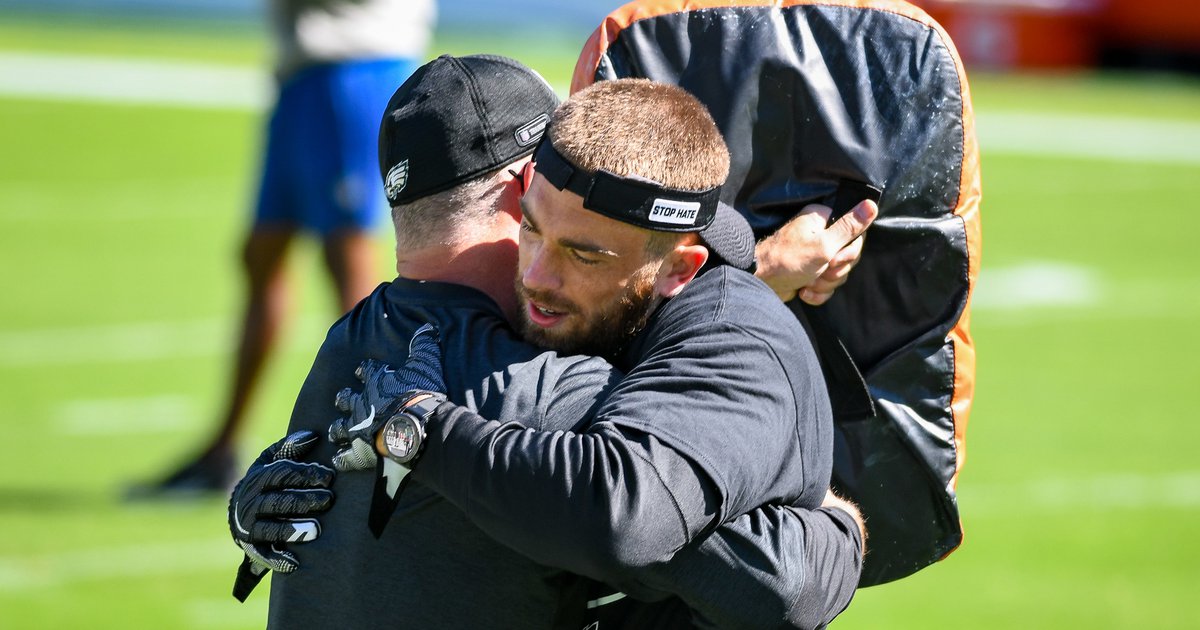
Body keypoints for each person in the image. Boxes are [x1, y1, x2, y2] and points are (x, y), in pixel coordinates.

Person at [229, 56, 865, 629]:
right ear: (529, 182)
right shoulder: (552, 396)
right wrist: (837, 523)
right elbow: (775, 585)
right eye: (544, 233)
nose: (538, 277)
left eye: (584, 253)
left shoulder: (350, 347)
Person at [137, 0, 437, 494]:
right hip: (306, 73)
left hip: (357, 64)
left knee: (348, 265)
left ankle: (388, 450)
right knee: (261, 254)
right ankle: (222, 451)